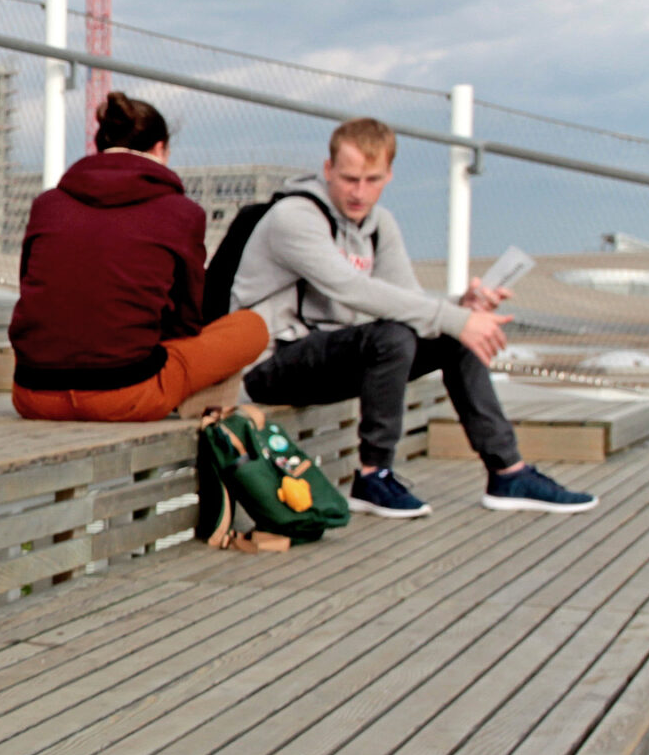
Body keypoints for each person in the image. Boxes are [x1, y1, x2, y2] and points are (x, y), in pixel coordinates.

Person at [234, 116, 594, 516]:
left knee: (450, 336)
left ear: (388, 175)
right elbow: (352, 289)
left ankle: (508, 472)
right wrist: (454, 317)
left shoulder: (378, 224)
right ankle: (373, 476)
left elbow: (407, 300)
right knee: (394, 335)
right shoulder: (294, 216)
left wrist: (462, 307)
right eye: (349, 178)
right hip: (267, 363)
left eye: (371, 180)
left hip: (335, 356)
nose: (359, 192)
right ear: (327, 169)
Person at [9, 93, 269, 421]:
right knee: (251, 326)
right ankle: (192, 402)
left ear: (99, 144)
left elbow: (33, 294)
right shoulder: (181, 213)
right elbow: (186, 319)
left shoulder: (47, 205)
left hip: (34, 394)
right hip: (127, 394)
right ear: (160, 149)